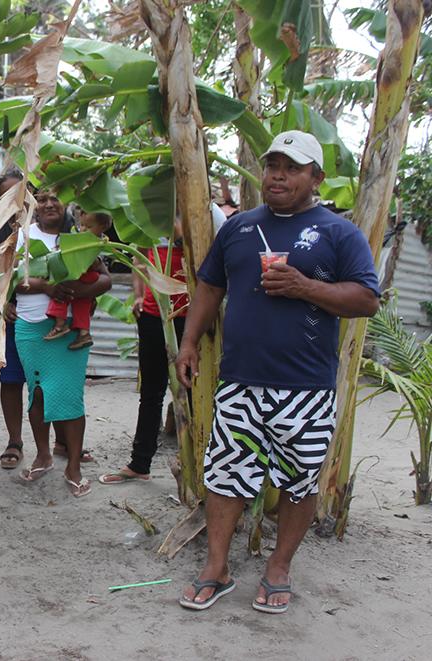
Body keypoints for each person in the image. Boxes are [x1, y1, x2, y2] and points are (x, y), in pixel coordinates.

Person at [175, 131, 380, 613]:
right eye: (273, 166)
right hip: (240, 381)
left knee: (300, 480)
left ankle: (278, 568)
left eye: (292, 167)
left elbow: (367, 299)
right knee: (226, 477)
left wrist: (305, 287)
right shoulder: (240, 228)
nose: (278, 175)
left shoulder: (338, 233)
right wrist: (188, 343)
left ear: (316, 177)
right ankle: (217, 569)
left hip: (306, 388)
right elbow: (209, 286)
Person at [0, 170, 93, 469]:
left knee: (54, 383)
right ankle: (15, 442)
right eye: (9, 195)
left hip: (50, 316)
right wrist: (1, 301)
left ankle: (62, 442)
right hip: (15, 316)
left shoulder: (63, 229)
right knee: (13, 379)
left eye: (24, 193)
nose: (18, 200)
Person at [13, 189, 112, 497]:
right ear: (34, 206)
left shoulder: (80, 235)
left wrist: (79, 293)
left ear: (65, 204)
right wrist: (46, 286)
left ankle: (73, 466)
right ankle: (43, 456)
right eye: (41, 199)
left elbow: (105, 278)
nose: (49, 204)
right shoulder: (22, 237)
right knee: (38, 393)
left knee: (69, 396)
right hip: (29, 328)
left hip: (71, 328)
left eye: (55, 198)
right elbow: (7, 278)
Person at [100, 218, 188, 485]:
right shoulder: (148, 218)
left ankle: (198, 463)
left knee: (194, 392)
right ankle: (140, 463)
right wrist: (139, 295)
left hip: (189, 317)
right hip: (153, 315)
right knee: (152, 392)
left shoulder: (200, 213)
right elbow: (140, 263)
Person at [43, 210, 112, 350]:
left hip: (85, 274)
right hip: (91, 278)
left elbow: (90, 261)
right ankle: (84, 333)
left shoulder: (96, 242)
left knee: (61, 290)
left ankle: (60, 324)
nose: (84, 229)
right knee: (82, 303)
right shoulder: (100, 239)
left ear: (103, 226)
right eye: (82, 225)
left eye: (89, 226)